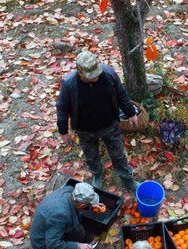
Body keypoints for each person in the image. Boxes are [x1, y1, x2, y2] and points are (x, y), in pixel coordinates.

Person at [56, 50, 138, 192]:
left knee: (118, 154)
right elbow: (62, 108)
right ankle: (97, 175)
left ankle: (127, 179)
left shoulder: (108, 74)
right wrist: (63, 131)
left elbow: (121, 94)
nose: (95, 78)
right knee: (91, 156)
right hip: (84, 129)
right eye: (90, 76)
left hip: (109, 124)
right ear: (79, 71)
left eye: (96, 74)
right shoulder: (69, 84)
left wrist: (131, 113)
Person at [30, 182, 105, 249]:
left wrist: (90, 206)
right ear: (81, 205)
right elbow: (52, 244)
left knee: (79, 230)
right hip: (43, 244)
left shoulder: (69, 191)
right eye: (88, 203)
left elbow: (78, 205)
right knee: (78, 234)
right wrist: (77, 247)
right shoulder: (60, 214)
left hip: (51, 228)